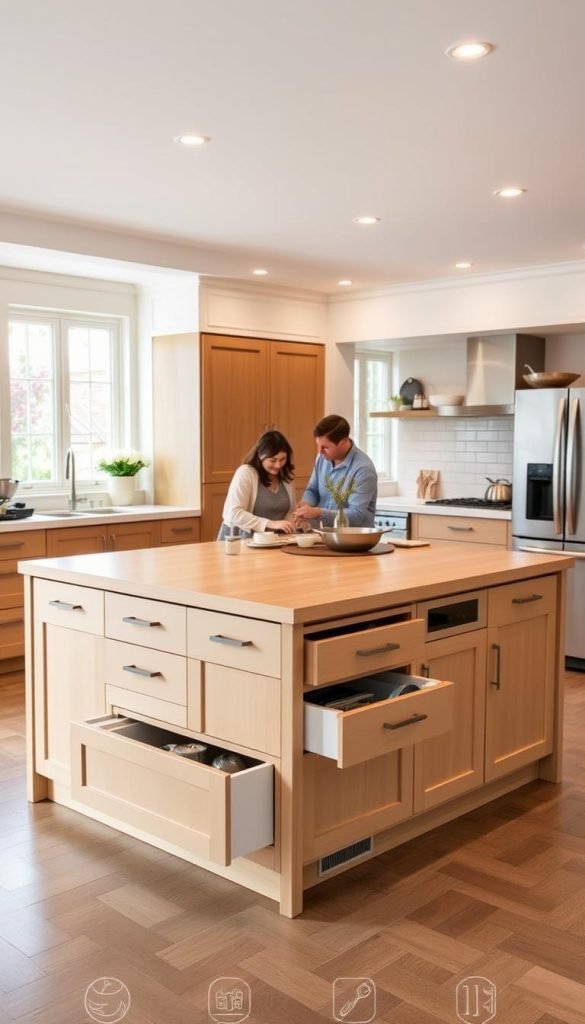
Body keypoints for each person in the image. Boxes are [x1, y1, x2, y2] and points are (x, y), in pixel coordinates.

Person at [294, 414, 377, 528]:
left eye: (325, 447)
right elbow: (312, 490)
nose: (320, 451)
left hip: (354, 541)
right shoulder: (322, 458)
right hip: (325, 536)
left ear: (343, 442)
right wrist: (305, 505)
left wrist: (318, 513)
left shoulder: (363, 469)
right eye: (318, 446)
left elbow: (356, 515)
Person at [218, 430, 297, 539]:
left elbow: (289, 512)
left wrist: (293, 523)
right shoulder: (246, 473)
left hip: (273, 541)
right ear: (260, 455)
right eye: (273, 460)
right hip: (239, 540)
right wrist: (269, 523)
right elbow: (234, 513)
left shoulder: (286, 477)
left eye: (282, 459)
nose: (278, 465)